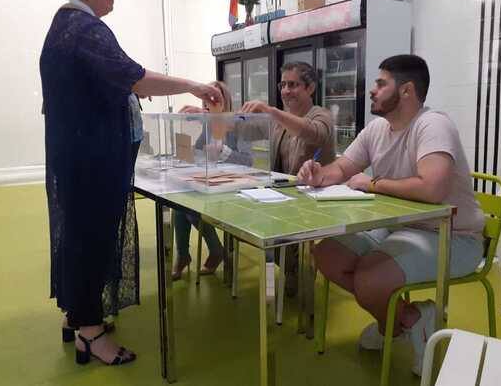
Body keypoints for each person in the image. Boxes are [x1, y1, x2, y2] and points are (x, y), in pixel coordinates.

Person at [40, 0, 222, 366]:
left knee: (81, 238)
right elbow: (133, 74)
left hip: (78, 158)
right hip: (93, 160)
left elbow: (111, 82)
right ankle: (90, 332)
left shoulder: (64, 27)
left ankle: (77, 315)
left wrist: (131, 89)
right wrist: (193, 86)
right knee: (93, 240)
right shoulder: (85, 28)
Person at [297, 54, 485, 375]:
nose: (372, 90)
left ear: (407, 91)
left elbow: (433, 189)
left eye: (381, 84)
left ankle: (397, 323)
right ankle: (404, 321)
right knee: (327, 253)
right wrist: (319, 174)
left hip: (451, 236)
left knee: (369, 277)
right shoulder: (378, 129)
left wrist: (373, 184)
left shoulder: (433, 124)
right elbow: (343, 167)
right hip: (400, 228)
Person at [241, 61, 336, 295]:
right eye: (282, 84)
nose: (285, 91)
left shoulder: (321, 115)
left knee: (280, 238)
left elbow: (314, 133)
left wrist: (272, 111)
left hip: (312, 201)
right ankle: (291, 271)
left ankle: (299, 274)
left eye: (292, 85)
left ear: (310, 88)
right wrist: (213, 114)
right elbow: (243, 130)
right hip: (283, 198)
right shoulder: (278, 123)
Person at [172, 81, 253, 280]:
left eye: (213, 100)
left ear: (225, 101)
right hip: (213, 182)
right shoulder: (208, 126)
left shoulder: (239, 123)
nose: (208, 105)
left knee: (190, 208)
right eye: (205, 101)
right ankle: (185, 255)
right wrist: (186, 152)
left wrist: (223, 152)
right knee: (179, 206)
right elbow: (199, 152)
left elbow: (248, 161)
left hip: (236, 185)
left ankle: (213, 251)